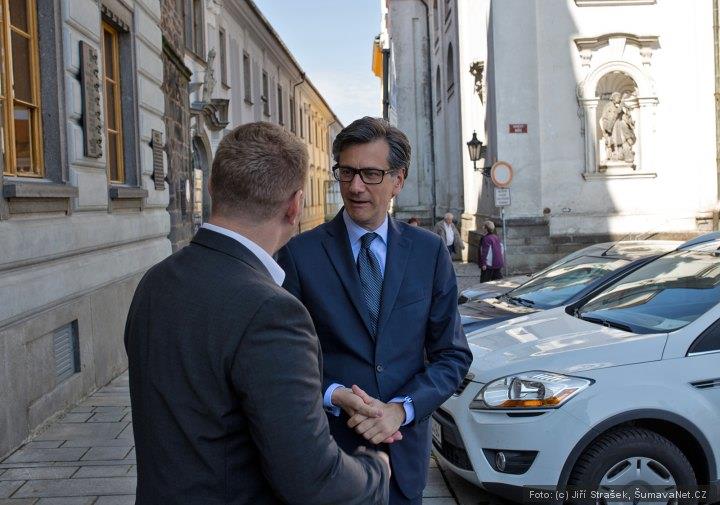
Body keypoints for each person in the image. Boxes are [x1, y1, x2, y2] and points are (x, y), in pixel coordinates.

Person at [125, 122, 390, 505]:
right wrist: (375, 471)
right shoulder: (272, 311)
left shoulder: (156, 280)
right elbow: (313, 481)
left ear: (212, 188)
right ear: (295, 206)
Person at [278, 117, 472, 505]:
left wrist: (401, 409)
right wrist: (334, 395)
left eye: (370, 174)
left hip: (403, 459)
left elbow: (452, 356)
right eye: (347, 172)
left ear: (398, 180)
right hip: (328, 459)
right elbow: (284, 361)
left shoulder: (429, 251)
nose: (355, 187)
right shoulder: (300, 254)